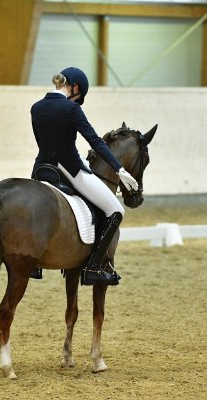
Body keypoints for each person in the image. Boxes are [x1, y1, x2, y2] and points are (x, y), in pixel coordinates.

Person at [30, 67, 138, 285]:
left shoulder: (36, 107)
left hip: (41, 168)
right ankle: (94, 268)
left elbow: (41, 142)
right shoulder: (71, 109)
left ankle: (33, 263)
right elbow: (96, 142)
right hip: (70, 169)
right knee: (116, 210)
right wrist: (120, 169)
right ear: (75, 88)